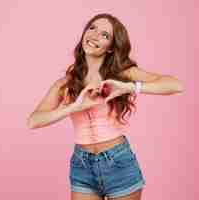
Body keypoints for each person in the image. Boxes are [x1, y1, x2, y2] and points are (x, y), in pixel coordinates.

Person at [27, 13, 183, 200]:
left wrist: (129, 86)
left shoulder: (123, 73)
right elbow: (33, 121)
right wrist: (74, 107)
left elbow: (175, 85)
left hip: (118, 161)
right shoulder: (65, 83)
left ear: (110, 48)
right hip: (82, 165)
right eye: (92, 28)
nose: (94, 35)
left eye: (105, 35)